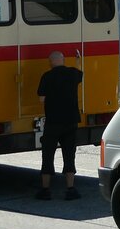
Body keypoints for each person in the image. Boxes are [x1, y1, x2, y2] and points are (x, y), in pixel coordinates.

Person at [35, 51, 84, 200]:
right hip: (71, 121)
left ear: (50, 62)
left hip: (53, 122)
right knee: (69, 155)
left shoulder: (47, 76)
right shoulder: (73, 73)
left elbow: (41, 99)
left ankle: (45, 190)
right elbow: (81, 73)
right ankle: (70, 188)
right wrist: (78, 61)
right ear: (63, 60)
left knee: (48, 154)